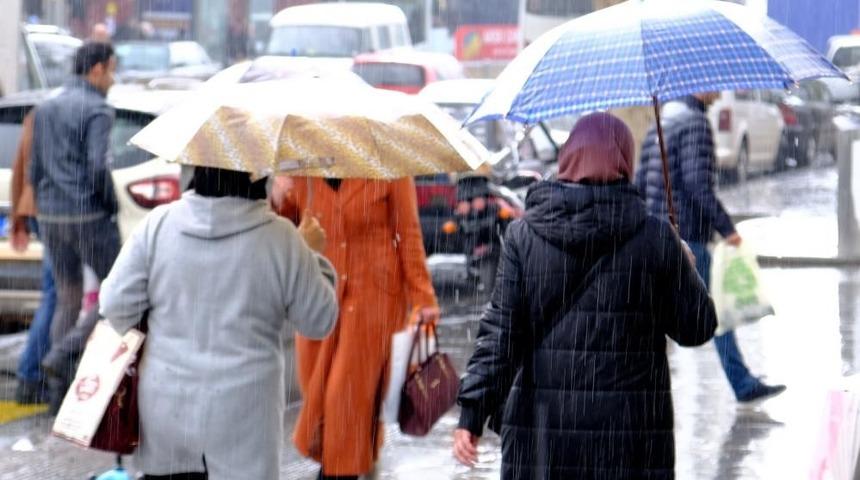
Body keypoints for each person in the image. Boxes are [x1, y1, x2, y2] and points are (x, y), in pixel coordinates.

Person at [453, 112, 718, 479]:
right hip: (628, 437)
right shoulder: (654, 237)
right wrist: (684, 266)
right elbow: (698, 328)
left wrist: (472, 413)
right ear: (625, 160)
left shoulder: (523, 235)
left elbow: (502, 332)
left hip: (546, 433)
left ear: (567, 159)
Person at [99, 166, 339, 479]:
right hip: (245, 419)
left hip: (166, 412)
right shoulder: (281, 238)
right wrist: (312, 256)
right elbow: (319, 320)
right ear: (257, 176)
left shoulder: (158, 225)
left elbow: (115, 305)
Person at [271, 176, 440, 479]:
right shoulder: (300, 166)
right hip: (317, 295)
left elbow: (408, 233)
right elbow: (283, 234)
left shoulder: (387, 163)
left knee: (345, 399)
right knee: (321, 401)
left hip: (373, 300)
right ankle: (342, 461)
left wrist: (423, 297)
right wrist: (278, 199)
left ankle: (339, 472)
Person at [635, 92, 787, 403]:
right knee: (713, 311)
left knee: (651, 316)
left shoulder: (662, 121)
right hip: (686, 236)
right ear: (696, 88)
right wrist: (727, 229)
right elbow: (697, 184)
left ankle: (645, 389)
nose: (719, 91)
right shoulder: (694, 123)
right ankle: (742, 382)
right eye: (713, 84)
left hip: (655, 235)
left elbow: (640, 181)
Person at [29, 42, 121, 411]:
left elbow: (35, 167)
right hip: (87, 214)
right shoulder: (97, 110)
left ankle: (56, 394)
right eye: (112, 70)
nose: (113, 79)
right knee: (118, 291)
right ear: (97, 69)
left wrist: (43, 208)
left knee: (67, 296)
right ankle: (64, 355)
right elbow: (98, 166)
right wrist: (110, 205)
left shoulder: (47, 107)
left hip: (51, 214)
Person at [11, 111, 57, 405]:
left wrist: (19, 216)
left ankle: (35, 373)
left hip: (39, 208)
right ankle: (31, 374)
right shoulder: (76, 112)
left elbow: (19, 168)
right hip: (59, 210)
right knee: (59, 295)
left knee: (57, 293)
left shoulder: (40, 114)